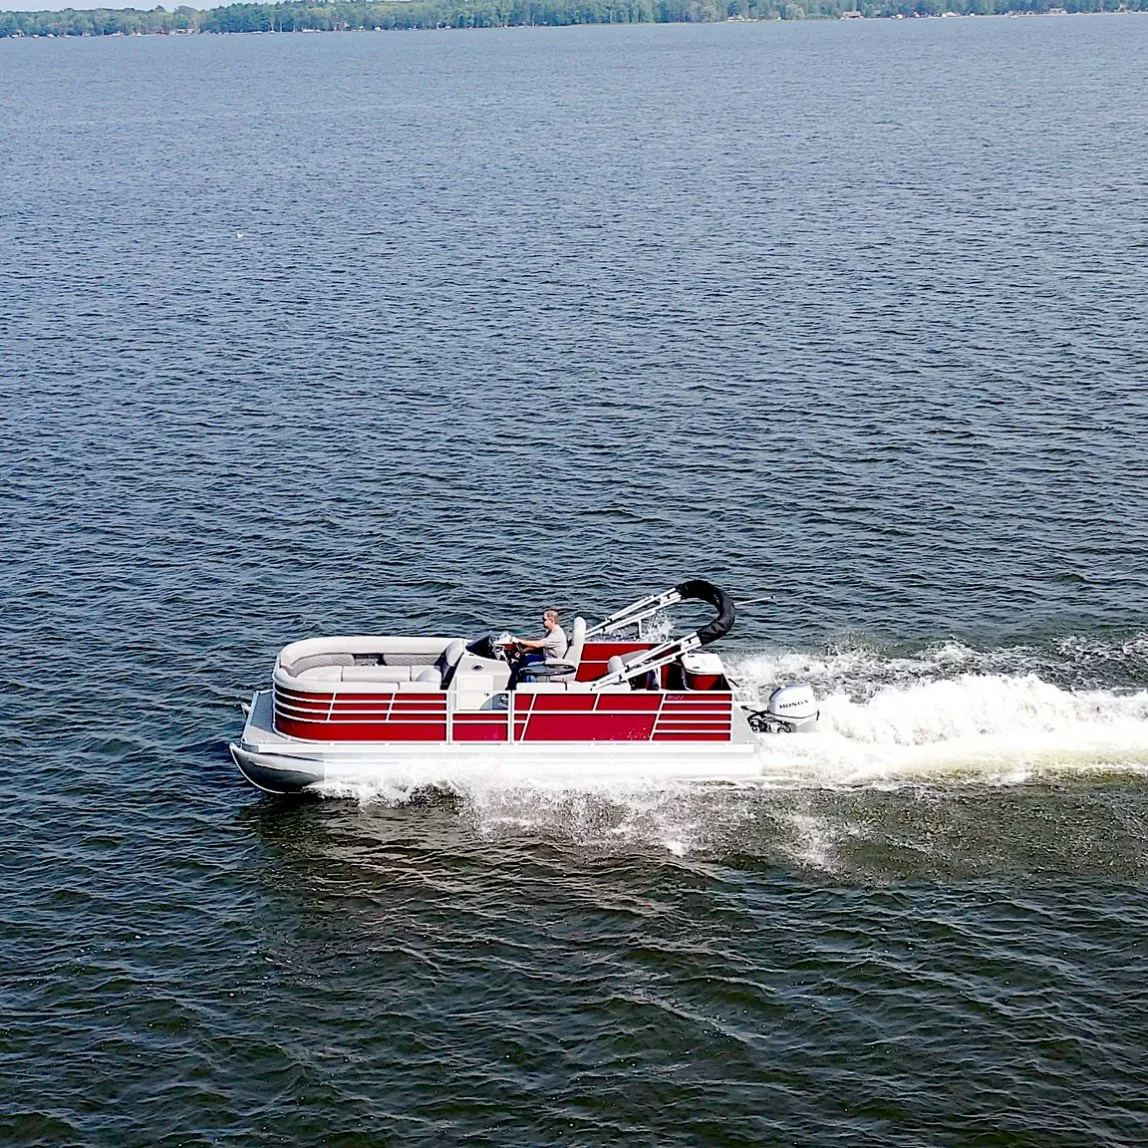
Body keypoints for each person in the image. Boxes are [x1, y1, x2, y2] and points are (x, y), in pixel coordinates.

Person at [507, 608, 568, 689]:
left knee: (529, 668)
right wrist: (524, 651)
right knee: (525, 659)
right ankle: (514, 686)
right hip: (547, 658)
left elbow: (537, 644)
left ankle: (529, 691)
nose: (542, 621)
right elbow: (541, 645)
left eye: (544, 619)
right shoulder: (550, 631)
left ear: (551, 620)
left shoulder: (556, 634)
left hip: (553, 664)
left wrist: (518, 641)